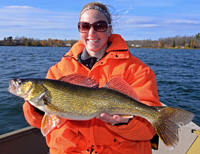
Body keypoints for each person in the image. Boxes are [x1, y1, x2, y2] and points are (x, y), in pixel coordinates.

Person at [23, 2, 162, 154]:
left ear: (109, 30)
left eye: (99, 26)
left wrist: (125, 122)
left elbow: (148, 131)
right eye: (85, 26)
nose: (91, 32)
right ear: (79, 29)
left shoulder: (138, 70)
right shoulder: (58, 70)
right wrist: (36, 104)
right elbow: (38, 122)